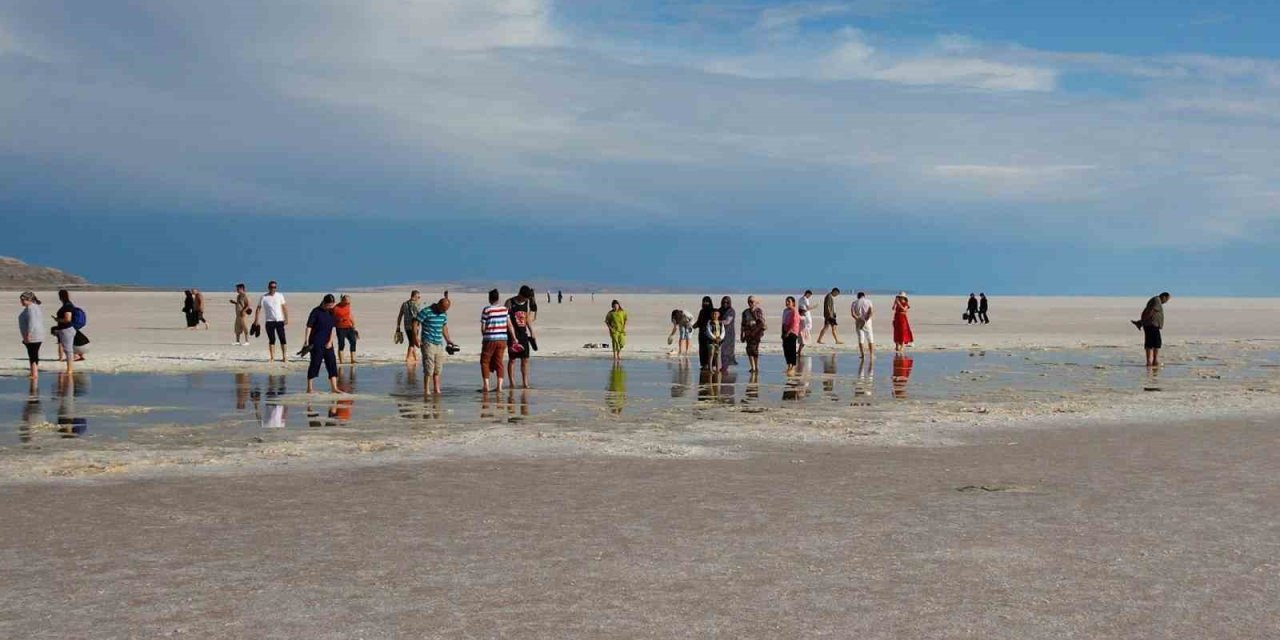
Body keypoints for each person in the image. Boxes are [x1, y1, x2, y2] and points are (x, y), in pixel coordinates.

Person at [414, 297, 458, 396]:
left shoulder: (443, 314)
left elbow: (444, 326)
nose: (444, 311)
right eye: (443, 309)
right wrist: (415, 337)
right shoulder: (426, 311)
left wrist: (448, 340)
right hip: (428, 342)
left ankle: (437, 389)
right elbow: (415, 322)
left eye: (446, 310)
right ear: (439, 305)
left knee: (438, 368)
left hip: (439, 343)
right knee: (429, 367)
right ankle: (426, 390)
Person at [480, 289, 517, 393]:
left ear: (489, 298)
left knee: (485, 361)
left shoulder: (487, 310)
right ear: (498, 298)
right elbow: (510, 325)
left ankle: (486, 386)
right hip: (502, 339)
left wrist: (484, 337)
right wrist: (514, 338)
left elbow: (483, 327)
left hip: (490, 339)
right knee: (499, 362)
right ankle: (499, 387)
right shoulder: (504, 309)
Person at [303, 294, 341, 393]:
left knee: (332, 363)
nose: (331, 307)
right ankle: (309, 388)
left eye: (332, 305)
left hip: (328, 343)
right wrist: (306, 341)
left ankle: (334, 388)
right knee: (315, 363)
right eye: (329, 305)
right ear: (324, 303)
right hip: (316, 342)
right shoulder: (316, 312)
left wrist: (330, 341)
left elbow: (332, 328)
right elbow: (309, 326)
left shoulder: (331, 312)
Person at [504, 285, 538, 389]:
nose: (525, 300)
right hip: (512, 335)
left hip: (524, 334)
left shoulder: (526, 303)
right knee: (512, 360)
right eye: (524, 298)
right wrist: (512, 336)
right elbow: (506, 319)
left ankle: (525, 383)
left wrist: (532, 331)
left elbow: (527, 318)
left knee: (525, 359)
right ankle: (512, 383)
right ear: (520, 294)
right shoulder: (510, 302)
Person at [253, 281, 289, 362]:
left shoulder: (280, 295)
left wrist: (286, 318)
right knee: (272, 339)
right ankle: (272, 357)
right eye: (272, 287)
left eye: (275, 287)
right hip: (269, 321)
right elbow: (258, 308)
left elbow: (284, 307)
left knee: (282, 338)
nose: (273, 289)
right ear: (268, 287)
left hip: (279, 320)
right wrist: (256, 320)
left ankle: (284, 357)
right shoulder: (264, 297)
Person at [1132, 292, 1171, 367]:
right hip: (1152, 324)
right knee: (1156, 343)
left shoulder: (1154, 300)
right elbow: (1151, 311)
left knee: (1150, 342)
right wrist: (1142, 321)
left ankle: (1150, 362)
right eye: (1167, 299)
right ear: (1164, 297)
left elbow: (1148, 311)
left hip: (1149, 324)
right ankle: (1154, 361)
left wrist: (1141, 322)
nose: (1166, 302)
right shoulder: (1157, 300)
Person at [52, 289, 80, 372]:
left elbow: (67, 319)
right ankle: (69, 369)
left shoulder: (67, 306)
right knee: (67, 349)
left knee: (68, 350)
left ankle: (69, 370)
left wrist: (58, 320)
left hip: (67, 329)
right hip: (65, 329)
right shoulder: (67, 305)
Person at [18, 291, 44, 381]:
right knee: (33, 353)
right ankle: (33, 372)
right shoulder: (33, 307)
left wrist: (29, 334)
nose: (21, 302)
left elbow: (32, 322)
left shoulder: (31, 308)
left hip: (34, 335)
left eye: (23, 300)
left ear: (29, 300)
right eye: (21, 300)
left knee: (33, 354)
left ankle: (34, 374)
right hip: (35, 334)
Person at [740, 296, 766, 373]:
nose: (750, 303)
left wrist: (755, 328)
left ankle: (756, 366)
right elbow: (743, 324)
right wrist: (742, 334)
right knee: (749, 349)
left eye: (752, 301)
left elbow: (761, 323)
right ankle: (753, 367)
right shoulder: (745, 312)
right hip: (748, 333)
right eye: (749, 301)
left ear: (756, 302)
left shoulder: (758, 311)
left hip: (756, 333)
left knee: (754, 349)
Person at [395, 290, 422, 364]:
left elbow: (400, 316)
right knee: (412, 342)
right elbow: (419, 316)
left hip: (406, 326)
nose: (419, 298)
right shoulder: (417, 305)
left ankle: (415, 357)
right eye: (418, 297)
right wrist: (419, 325)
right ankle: (408, 358)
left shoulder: (404, 304)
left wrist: (398, 326)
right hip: (415, 326)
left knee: (412, 341)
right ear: (415, 296)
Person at [691, 296, 716, 369]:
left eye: (707, 301)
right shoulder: (702, 311)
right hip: (702, 333)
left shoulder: (712, 311)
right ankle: (704, 364)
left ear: (710, 302)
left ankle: (712, 365)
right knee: (702, 349)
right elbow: (699, 322)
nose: (705, 303)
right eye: (704, 301)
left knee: (710, 349)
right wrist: (692, 327)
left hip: (710, 333)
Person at [333, 294, 358, 364]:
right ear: (342, 301)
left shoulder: (348, 306)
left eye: (349, 302)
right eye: (346, 302)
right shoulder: (336, 308)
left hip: (349, 327)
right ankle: (341, 360)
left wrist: (353, 324)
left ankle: (353, 359)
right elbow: (332, 318)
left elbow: (349, 315)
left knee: (353, 341)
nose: (348, 303)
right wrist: (338, 320)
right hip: (340, 328)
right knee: (341, 343)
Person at [850, 291, 875, 359]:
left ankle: (862, 355)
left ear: (858, 296)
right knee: (870, 338)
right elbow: (870, 312)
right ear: (864, 296)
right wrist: (866, 319)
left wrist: (858, 319)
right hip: (867, 322)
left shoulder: (854, 303)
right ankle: (871, 354)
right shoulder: (869, 301)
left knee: (861, 339)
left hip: (858, 322)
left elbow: (853, 314)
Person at [781, 296, 802, 375]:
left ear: (793, 303)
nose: (787, 303)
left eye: (789, 301)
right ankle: (789, 365)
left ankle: (793, 366)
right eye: (786, 301)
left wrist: (788, 332)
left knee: (791, 349)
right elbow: (783, 322)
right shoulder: (785, 311)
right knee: (786, 349)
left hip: (792, 332)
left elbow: (794, 323)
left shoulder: (794, 311)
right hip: (785, 331)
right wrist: (783, 332)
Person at [717, 296, 738, 371]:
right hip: (719, 332)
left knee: (726, 350)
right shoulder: (720, 310)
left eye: (727, 302)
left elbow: (727, 322)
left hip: (729, 333)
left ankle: (725, 367)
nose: (725, 303)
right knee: (719, 350)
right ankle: (719, 365)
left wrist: (717, 322)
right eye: (723, 302)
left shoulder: (731, 311)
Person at [797, 290, 813, 355]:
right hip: (805, 315)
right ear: (807, 294)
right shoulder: (805, 299)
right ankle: (799, 352)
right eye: (809, 295)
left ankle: (799, 351)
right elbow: (808, 308)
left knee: (803, 342)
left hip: (802, 314)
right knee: (803, 342)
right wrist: (814, 306)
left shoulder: (800, 299)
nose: (809, 297)